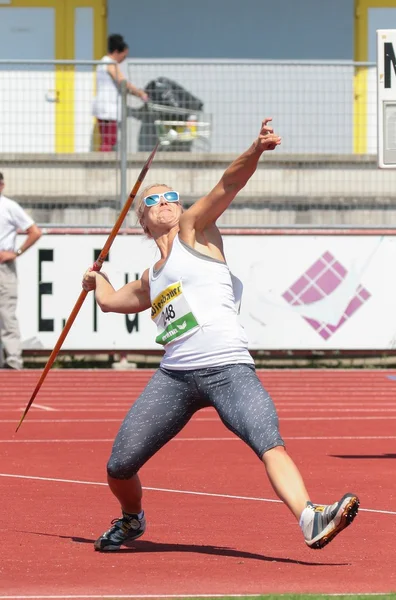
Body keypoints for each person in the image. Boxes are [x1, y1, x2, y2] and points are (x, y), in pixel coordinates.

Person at [82, 119, 359, 552]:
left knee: (269, 441)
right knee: (119, 466)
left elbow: (228, 184)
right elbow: (111, 301)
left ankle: (310, 517)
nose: (165, 203)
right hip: (175, 376)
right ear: (143, 221)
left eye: (171, 196)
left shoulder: (196, 232)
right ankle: (132, 520)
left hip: (229, 366)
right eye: (153, 200)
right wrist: (94, 279)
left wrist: (255, 149)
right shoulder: (150, 277)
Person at [0, 172, 42, 369]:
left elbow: (35, 231)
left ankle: (13, 361)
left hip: (3, 267)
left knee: (6, 313)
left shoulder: (8, 206)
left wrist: (16, 252)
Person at [93, 33, 148, 151]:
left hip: (105, 106)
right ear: (117, 51)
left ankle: (104, 163)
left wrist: (137, 93)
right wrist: (140, 93)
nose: (124, 59)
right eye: (124, 55)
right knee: (109, 139)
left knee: (107, 139)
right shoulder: (110, 63)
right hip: (107, 106)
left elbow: (122, 86)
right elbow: (122, 81)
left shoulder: (104, 63)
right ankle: (104, 165)